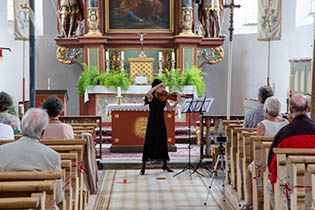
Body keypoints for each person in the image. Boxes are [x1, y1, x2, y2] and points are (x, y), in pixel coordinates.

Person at [0, 108, 63, 207]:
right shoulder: (52, 156)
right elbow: (58, 197)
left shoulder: (1, 151)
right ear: (43, 132)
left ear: (21, 126)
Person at [267, 94, 315, 209]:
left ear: (290, 110)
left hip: (290, 185)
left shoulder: (283, 134)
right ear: (308, 108)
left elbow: (271, 165)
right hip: (313, 183)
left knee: (269, 185)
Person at [243, 97, 288, 209]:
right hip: (283, 158)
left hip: (266, 159)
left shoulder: (262, 125)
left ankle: (250, 201)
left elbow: (258, 147)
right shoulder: (286, 122)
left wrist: (257, 161)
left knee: (249, 170)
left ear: (266, 110)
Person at [140, 79, 181, 175]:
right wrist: (156, 86)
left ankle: (165, 165)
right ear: (155, 87)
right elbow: (147, 94)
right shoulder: (151, 97)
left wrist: (177, 102)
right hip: (152, 122)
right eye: (160, 87)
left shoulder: (164, 97)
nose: (162, 89)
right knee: (149, 141)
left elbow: (170, 109)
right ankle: (143, 167)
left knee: (162, 141)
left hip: (161, 121)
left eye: (162, 87)